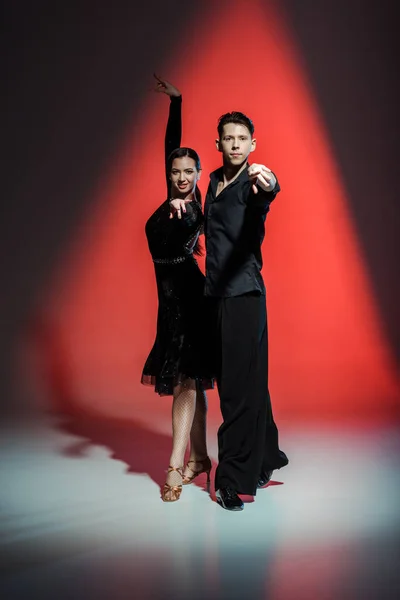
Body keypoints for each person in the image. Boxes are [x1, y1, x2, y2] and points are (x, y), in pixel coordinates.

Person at [204, 110, 289, 511]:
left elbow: (265, 197)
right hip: (220, 296)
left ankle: (232, 478)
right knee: (251, 383)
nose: (235, 144)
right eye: (229, 138)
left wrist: (270, 184)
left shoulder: (253, 182)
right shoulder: (214, 182)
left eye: (242, 138)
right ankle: (264, 458)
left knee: (236, 390)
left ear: (252, 144)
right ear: (218, 144)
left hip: (244, 296)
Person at [141, 75, 214, 502]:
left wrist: (182, 210)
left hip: (191, 301)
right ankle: (201, 458)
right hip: (168, 304)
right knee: (194, 381)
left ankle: (174, 466)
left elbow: (191, 224)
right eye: (176, 170)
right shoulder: (171, 192)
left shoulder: (192, 207)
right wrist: (177, 101)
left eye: (190, 171)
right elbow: (173, 143)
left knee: (187, 382)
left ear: (199, 174)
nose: (183, 176)